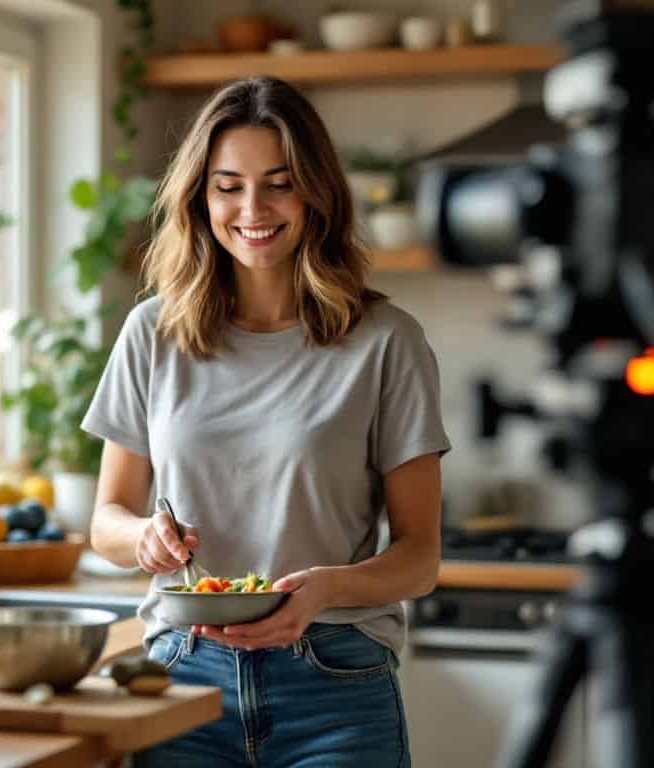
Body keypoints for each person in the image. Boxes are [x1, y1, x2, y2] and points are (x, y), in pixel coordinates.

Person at [83, 76, 449, 768]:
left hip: (335, 682)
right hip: (182, 679)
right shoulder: (150, 334)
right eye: (228, 186)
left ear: (316, 193)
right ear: (201, 197)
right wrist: (144, 539)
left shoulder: (386, 342)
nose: (252, 208)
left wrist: (324, 589)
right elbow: (106, 519)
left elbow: (418, 557)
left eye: (279, 183)